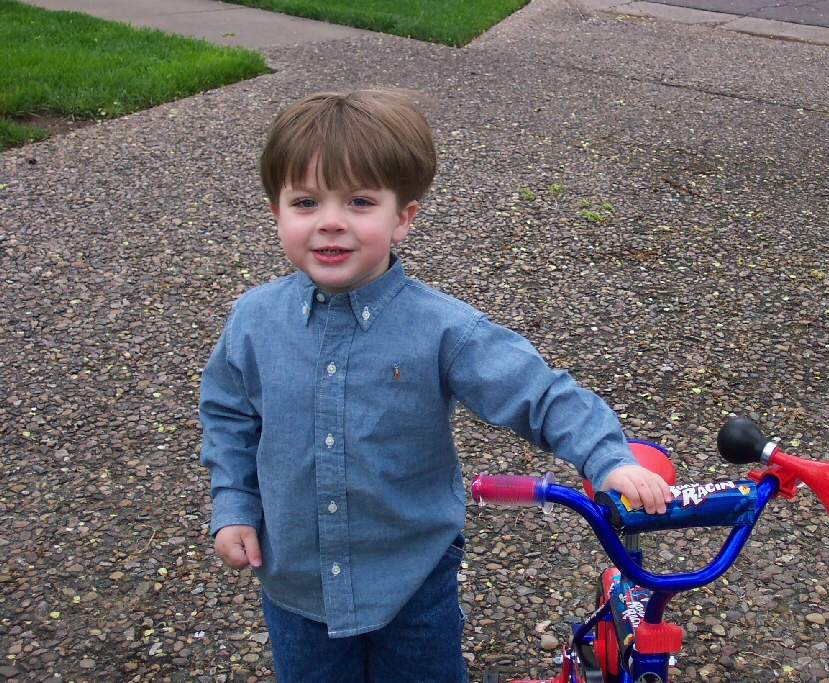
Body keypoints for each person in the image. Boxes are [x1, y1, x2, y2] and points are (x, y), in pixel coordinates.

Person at [199, 89, 672, 683]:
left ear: (403, 218)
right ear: (276, 212)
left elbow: (540, 393)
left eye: (360, 201)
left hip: (412, 580)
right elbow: (229, 415)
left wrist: (607, 459)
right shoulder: (254, 320)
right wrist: (235, 504)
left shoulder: (443, 329)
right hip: (296, 581)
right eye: (305, 201)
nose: (330, 221)